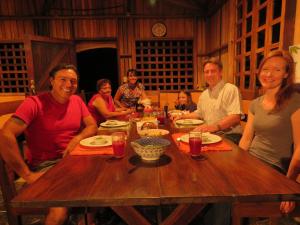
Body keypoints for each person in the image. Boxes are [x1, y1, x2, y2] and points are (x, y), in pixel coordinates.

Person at [0, 63, 97, 225]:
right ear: (51, 81)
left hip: (74, 160)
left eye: (73, 81)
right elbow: (5, 135)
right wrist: (27, 175)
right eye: (63, 79)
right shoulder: (34, 103)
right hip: (47, 165)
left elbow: (92, 126)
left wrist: (77, 139)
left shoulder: (77, 101)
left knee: (105, 178)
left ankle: (86, 219)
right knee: (60, 211)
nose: (68, 85)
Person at [239, 50, 300, 215]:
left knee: (228, 195)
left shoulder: (295, 101)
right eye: (265, 69)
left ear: (286, 74)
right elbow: (245, 141)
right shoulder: (255, 103)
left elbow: (299, 150)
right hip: (251, 162)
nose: (269, 74)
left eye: (277, 69)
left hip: (275, 168)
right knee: (218, 182)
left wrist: (290, 187)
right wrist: (236, 165)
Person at [174, 57, 242, 144]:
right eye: (206, 72)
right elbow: (199, 113)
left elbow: (235, 117)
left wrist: (214, 127)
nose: (209, 74)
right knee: (182, 141)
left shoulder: (230, 89)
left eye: (213, 71)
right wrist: (182, 116)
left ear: (220, 72)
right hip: (211, 134)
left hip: (230, 135)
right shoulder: (204, 94)